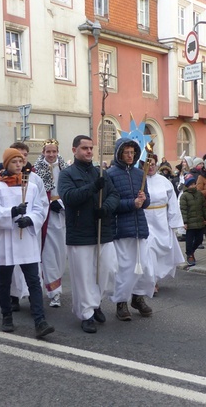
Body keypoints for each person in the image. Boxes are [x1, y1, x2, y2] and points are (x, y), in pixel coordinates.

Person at [0, 148, 55, 338]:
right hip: (6, 240)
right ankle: (6, 316)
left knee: (33, 280)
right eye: (14, 162)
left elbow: (40, 209)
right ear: (7, 163)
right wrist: (13, 212)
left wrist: (31, 219)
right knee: (5, 281)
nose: (19, 165)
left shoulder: (30, 187)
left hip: (27, 241)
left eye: (21, 161)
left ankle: (40, 321)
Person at [57, 135, 120, 333]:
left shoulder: (100, 172)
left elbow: (114, 194)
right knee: (83, 276)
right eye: (84, 148)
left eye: (91, 148)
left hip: (103, 230)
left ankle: (95, 302)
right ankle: (86, 313)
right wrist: (93, 187)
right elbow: (69, 197)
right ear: (74, 149)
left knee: (106, 270)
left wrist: (106, 208)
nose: (89, 151)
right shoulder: (67, 174)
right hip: (80, 232)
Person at [105, 138, 154, 321]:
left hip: (139, 227)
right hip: (121, 228)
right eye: (126, 152)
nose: (130, 156)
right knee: (124, 268)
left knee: (145, 268)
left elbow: (146, 201)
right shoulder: (110, 174)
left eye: (132, 153)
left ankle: (138, 297)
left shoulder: (139, 173)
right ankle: (121, 302)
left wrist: (143, 199)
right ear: (119, 153)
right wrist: (131, 203)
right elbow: (111, 203)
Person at [31, 138, 68, 308]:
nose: (51, 155)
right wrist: (47, 204)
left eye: (54, 151)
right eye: (48, 152)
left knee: (61, 254)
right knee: (49, 254)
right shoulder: (36, 170)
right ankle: (54, 292)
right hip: (46, 218)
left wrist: (61, 204)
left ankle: (56, 286)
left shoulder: (64, 169)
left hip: (63, 214)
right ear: (43, 152)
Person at [142, 155, 185, 292]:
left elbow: (172, 202)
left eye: (153, 164)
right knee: (149, 249)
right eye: (148, 164)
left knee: (161, 250)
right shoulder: (139, 181)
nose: (151, 167)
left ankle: (155, 277)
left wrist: (174, 222)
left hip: (161, 220)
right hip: (146, 219)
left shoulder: (164, 181)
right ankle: (151, 281)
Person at [179, 174, 206, 266]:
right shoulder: (184, 196)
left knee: (199, 239)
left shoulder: (199, 194)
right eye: (190, 184)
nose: (193, 186)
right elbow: (183, 210)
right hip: (190, 223)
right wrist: (185, 222)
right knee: (189, 239)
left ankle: (191, 251)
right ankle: (189, 255)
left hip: (199, 221)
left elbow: (203, 207)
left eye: (194, 184)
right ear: (187, 185)